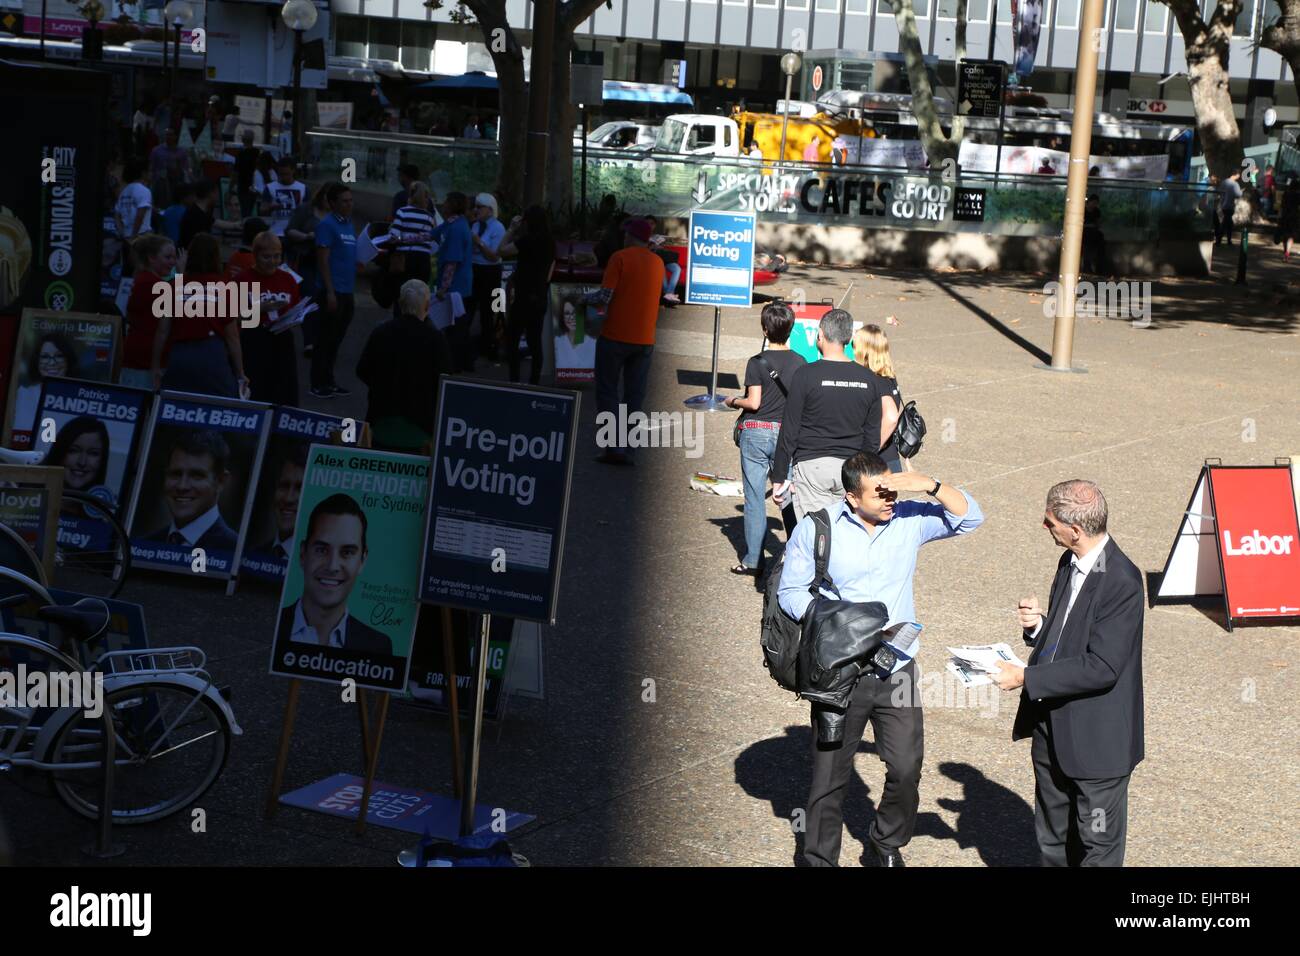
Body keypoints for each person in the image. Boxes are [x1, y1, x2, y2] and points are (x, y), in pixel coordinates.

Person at [779, 452, 984, 867]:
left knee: (907, 767)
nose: (889, 499)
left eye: (892, 489)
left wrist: (930, 485)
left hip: (898, 666)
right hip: (840, 672)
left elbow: (971, 517)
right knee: (830, 777)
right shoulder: (818, 529)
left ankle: (885, 842)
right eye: (880, 493)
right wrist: (844, 623)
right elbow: (791, 592)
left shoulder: (908, 519)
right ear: (852, 497)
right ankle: (820, 859)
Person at [992, 479, 1144, 867]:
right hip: (1051, 730)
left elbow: (1103, 667)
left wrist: (1025, 678)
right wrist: (1038, 627)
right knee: (1052, 839)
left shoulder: (1122, 581)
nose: (1046, 528)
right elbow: (1069, 640)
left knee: (1096, 848)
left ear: (1074, 530)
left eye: (1049, 522)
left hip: (1097, 743)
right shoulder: (1068, 562)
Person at [771, 309, 885, 521]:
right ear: (849, 338)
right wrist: (865, 474)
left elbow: (790, 428)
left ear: (820, 335)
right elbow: (872, 435)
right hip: (852, 469)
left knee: (816, 534)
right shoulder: (869, 379)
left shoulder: (806, 374)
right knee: (846, 532)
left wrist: (779, 475)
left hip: (812, 465)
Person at [724, 302, 806, 576]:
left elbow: (754, 402)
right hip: (787, 434)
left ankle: (753, 560)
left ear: (764, 329)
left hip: (757, 432)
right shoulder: (800, 362)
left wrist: (733, 400)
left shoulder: (756, 362)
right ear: (791, 329)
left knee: (755, 497)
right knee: (787, 495)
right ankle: (797, 556)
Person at [585, 218, 665, 465]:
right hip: (645, 340)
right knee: (634, 396)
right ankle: (629, 448)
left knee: (608, 392)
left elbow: (605, 296)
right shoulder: (658, 262)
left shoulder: (619, 257)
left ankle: (612, 447)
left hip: (615, 335)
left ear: (630, 236)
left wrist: (580, 297)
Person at [277, 493, 392, 654]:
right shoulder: (275, 626)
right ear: (303, 554)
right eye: (322, 550)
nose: (332, 566)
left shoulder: (379, 646)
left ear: (362, 560)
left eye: (347, 552)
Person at [356, 279, 454, 453]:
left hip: (380, 422)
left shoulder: (381, 332)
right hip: (421, 429)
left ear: (400, 304)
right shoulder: (435, 339)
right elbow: (445, 380)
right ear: (426, 306)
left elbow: (363, 370)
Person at [151, 233, 247, 399]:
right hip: (212, 355)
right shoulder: (223, 288)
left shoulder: (174, 286)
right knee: (221, 405)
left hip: (180, 355)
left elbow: (162, 332)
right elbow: (232, 337)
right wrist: (240, 373)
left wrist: (156, 366)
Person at [233, 232, 301, 407]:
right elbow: (232, 319)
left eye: (277, 256)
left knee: (284, 392)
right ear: (255, 256)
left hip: (282, 340)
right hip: (253, 340)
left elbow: (294, 307)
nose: (272, 261)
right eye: (266, 257)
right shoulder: (242, 280)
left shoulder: (287, 279)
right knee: (257, 391)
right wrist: (259, 309)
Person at [144, 430, 239, 551]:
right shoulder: (146, 544)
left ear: (221, 482)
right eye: (176, 474)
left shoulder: (234, 551)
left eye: (197, 476)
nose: (182, 486)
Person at [311, 183, 358, 399]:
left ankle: (329, 380)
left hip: (347, 290)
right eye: (344, 201)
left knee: (336, 339)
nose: (349, 204)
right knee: (325, 339)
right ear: (332, 203)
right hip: (333, 291)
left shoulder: (348, 224)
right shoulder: (327, 225)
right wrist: (329, 291)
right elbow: (323, 260)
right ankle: (318, 382)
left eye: (350, 200)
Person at [498, 204, 555, 384]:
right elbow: (550, 271)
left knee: (513, 339)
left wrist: (511, 229)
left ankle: (514, 380)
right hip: (539, 296)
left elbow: (501, 250)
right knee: (535, 341)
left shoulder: (526, 240)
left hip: (523, 296)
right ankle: (534, 382)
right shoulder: (550, 241)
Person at [122, 234, 178, 389]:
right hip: (144, 361)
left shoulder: (145, 280)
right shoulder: (151, 283)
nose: (173, 262)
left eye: (174, 257)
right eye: (168, 257)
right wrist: (182, 274)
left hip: (142, 358)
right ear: (152, 258)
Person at [429, 191, 475, 372]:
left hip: (456, 288)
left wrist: (443, 287)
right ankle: (461, 362)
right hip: (458, 286)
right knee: (456, 327)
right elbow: (431, 234)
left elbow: (452, 262)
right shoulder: (452, 224)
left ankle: (454, 366)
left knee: (454, 328)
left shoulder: (456, 229)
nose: (444, 203)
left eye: (447, 201)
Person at [851, 324, 904, 473]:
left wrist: (868, 453)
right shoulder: (888, 377)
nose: (853, 348)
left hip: (876, 464)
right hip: (890, 457)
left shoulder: (875, 380)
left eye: (855, 344)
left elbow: (892, 417)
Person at [390, 180, 440, 312]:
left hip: (405, 259)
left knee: (402, 294)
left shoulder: (402, 212)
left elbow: (393, 237)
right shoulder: (429, 217)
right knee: (419, 296)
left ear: (410, 195)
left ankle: (399, 322)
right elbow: (432, 237)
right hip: (423, 260)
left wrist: (402, 238)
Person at [468, 193, 506, 360]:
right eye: (475, 207)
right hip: (474, 269)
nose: (476, 210)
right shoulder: (475, 225)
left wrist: (479, 242)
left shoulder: (498, 228)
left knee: (488, 310)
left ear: (490, 210)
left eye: (479, 207)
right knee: (470, 306)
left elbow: (494, 256)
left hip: (490, 272)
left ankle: (488, 345)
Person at [47, 416, 115, 508]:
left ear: (102, 460)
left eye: (93, 453)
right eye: (73, 451)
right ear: (59, 451)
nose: (82, 462)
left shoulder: (106, 512)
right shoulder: (28, 496)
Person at [255, 447, 306, 561]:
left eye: (300, 488)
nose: (288, 498)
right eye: (284, 485)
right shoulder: (254, 556)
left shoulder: (316, 567)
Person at [114, 161, 153, 259]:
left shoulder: (124, 191)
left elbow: (117, 215)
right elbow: (140, 215)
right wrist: (134, 236)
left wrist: (123, 233)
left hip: (126, 236)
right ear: (143, 173)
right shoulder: (144, 191)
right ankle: (179, 274)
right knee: (143, 266)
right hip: (141, 236)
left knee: (129, 268)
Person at [260, 156, 307, 237]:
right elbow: (262, 210)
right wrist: (271, 208)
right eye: (281, 174)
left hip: (296, 234)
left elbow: (309, 212)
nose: (284, 177)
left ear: (293, 171)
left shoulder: (303, 188)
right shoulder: (270, 188)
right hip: (275, 233)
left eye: (286, 174)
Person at [644, 216, 682, 305]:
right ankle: (669, 295)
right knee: (661, 268)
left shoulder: (657, 236)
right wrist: (650, 247)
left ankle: (668, 294)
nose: (649, 225)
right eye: (647, 223)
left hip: (663, 259)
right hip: (651, 262)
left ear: (655, 225)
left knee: (677, 268)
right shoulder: (641, 236)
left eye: (652, 224)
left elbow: (664, 248)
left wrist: (660, 247)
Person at [178, 180, 217, 251]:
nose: (216, 196)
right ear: (210, 193)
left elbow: (214, 221)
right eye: (215, 192)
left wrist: (235, 225)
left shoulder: (200, 211)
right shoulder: (195, 214)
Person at [234, 129, 263, 219]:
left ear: (243, 140)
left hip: (243, 185)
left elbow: (235, 172)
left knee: (244, 211)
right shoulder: (257, 152)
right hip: (254, 186)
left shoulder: (241, 153)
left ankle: (245, 228)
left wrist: (231, 186)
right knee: (250, 209)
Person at [1277, 176, 1300, 261]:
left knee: (1285, 235)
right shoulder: (1298, 195)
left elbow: (1282, 206)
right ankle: (1287, 253)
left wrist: (1279, 216)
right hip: (1294, 216)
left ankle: (1285, 252)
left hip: (1285, 216)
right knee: (1291, 236)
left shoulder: (1285, 194)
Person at [1217, 169, 1243, 246]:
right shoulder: (1235, 184)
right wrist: (1241, 191)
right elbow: (1238, 195)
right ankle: (1220, 240)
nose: (1239, 176)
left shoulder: (1224, 182)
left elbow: (1220, 191)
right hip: (1230, 205)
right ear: (1237, 174)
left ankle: (1226, 240)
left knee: (1228, 223)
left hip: (1223, 204)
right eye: (1239, 175)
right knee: (1226, 223)